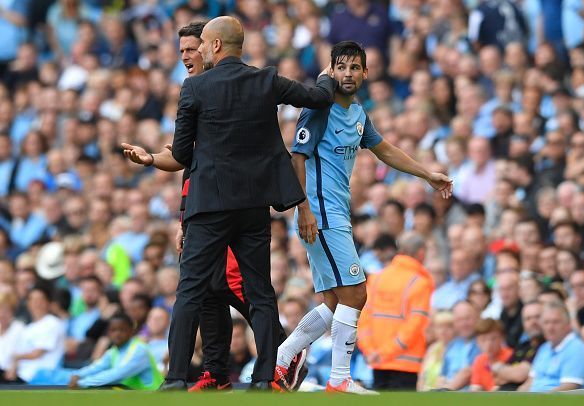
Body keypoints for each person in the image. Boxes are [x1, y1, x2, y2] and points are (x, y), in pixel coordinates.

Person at [122, 21, 301, 392]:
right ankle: (220, 372)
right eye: (183, 50)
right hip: (222, 203)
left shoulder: (205, 89)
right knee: (213, 292)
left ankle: (283, 357)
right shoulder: (214, 89)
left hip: (219, 206)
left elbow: (185, 155)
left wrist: (162, 163)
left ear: (211, 47)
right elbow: (188, 163)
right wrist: (158, 168)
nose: (188, 55)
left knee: (232, 288)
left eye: (193, 47)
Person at [167, 16, 336, 391]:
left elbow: (180, 154)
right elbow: (318, 98)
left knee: (191, 290)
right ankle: (264, 377)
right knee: (260, 291)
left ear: (214, 46)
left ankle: (176, 376)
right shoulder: (266, 80)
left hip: (209, 204)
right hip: (254, 206)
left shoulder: (194, 88)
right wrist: (326, 76)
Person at [273, 41, 452, 394]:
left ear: (365, 72)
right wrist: (303, 209)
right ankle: (339, 380)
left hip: (336, 212)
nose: (349, 74)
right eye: (342, 67)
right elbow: (297, 158)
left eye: (355, 68)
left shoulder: (357, 113)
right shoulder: (318, 109)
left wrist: (426, 174)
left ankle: (283, 356)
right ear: (331, 71)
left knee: (334, 302)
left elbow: (384, 149)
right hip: (321, 213)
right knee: (356, 294)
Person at [358, 232, 435, 390]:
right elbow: (415, 325)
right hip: (405, 364)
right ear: (421, 252)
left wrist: (371, 351)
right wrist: (387, 352)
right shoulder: (419, 283)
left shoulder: (377, 278)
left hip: (377, 361)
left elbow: (363, 319)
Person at [68, 313, 163, 390]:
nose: (117, 334)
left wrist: (82, 383)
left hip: (156, 399)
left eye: (122, 330)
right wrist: (77, 375)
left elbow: (118, 374)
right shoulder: (113, 351)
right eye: (113, 330)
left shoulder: (140, 349)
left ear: (131, 331)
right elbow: (96, 367)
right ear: (108, 333)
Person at [519, 302, 584, 392]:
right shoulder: (544, 348)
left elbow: (567, 389)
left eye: (555, 322)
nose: (550, 327)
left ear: (568, 325)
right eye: (546, 322)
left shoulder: (577, 349)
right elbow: (529, 383)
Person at [493, 301, 545, 391]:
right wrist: (507, 372)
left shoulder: (547, 346)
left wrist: (500, 369)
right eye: (528, 319)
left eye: (537, 317)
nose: (533, 322)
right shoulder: (522, 345)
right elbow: (497, 378)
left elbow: (520, 375)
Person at [469, 318, 512, 392]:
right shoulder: (479, 360)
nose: (488, 344)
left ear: (502, 338)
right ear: (477, 341)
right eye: (483, 339)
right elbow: (475, 388)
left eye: (493, 339)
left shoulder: (511, 356)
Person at [417, 311, 455, 391]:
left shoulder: (458, 349)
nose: (443, 330)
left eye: (448, 326)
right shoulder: (432, 348)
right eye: (439, 327)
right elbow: (421, 377)